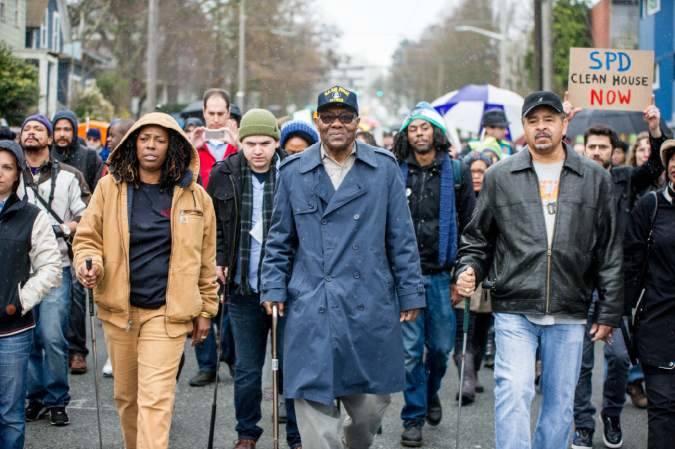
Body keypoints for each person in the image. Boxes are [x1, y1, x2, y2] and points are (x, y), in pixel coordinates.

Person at [261, 85, 425, 449]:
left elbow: (402, 237)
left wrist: (411, 291)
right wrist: (272, 287)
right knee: (316, 417)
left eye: (345, 117)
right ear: (317, 122)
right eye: (329, 117)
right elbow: (279, 240)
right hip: (311, 305)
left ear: (357, 121)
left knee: (370, 407)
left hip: (367, 303)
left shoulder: (383, 168)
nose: (337, 124)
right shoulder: (292, 171)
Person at [455, 91, 622, 449]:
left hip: (570, 306)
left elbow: (609, 249)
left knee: (561, 403)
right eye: (533, 121)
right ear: (524, 128)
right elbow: (477, 238)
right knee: (513, 390)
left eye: (549, 120)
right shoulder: (501, 176)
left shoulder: (594, 178)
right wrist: (469, 268)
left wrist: (609, 310)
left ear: (564, 124)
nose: (541, 127)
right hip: (515, 304)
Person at [72, 112, 218, 449]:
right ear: (132, 144)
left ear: (173, 147)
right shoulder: (110, 188)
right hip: (120, 310)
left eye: (160, 140)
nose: (151, 146)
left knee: (156, 400)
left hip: (167, 314)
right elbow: (87, 238)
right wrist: (87, 264)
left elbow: (206, 260)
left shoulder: (196, 197)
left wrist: (206, 309)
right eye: (144, 138)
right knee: (127, 399)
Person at [207, 109, 301, 449]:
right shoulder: (223, 173)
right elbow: (213, 225)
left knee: (291, 367)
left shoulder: (293, 173)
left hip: (287, 289)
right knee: (247, 368)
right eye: (250, 143)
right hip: (243, 287)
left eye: (265, 143)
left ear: (277, 143)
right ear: (240, 142)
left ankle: (295, 434)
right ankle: (247, 432)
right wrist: (219, 258)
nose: (258, 150)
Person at [572, 112, 666, 449]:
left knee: (620, 358)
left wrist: (654, 128)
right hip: (579, 285)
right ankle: (582, 423)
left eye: (602, 147)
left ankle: (611, 413)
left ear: (614, 152)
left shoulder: (626, 179)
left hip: (616, 287)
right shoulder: (572, 179)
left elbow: (657, 165)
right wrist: (565, 120)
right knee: (580, 362)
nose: (596, 152)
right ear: (582, 150)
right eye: (591, 146)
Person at [391, 101, 475, 447]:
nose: (420, 134)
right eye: (413, 129)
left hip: (443, 276)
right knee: (411, 353)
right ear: (406, 136)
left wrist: (463, 272)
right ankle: (413, 416)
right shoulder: (395, 172)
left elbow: (470, 225)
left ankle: (430, 392)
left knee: (440, 349)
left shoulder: (456, 172)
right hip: (406, 277)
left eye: (425, 128)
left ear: (436, 133)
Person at [17, 115, 89, 427]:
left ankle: (58, 398)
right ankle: (36, 397)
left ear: (49, 140)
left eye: (38, 129)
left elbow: (86, 218)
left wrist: (62, 228)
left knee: (53, 337)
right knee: (28, 340)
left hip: (56, 267)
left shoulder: (70, 176)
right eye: (27, 129)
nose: (31, 132)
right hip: (18, 273)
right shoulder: (9, 175)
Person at [0, 140, 62, 449]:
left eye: (7, 167)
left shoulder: (32, 216)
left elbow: (51, 267)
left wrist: (20, 301)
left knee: (10, 414)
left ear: (17, 175)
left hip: (12, 329)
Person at [624, 138, 675, 449]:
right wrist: (618, 313)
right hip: (657, 319)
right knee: (663, 406)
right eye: (672, 162)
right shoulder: (651, 206)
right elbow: (630, 261)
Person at [51, 110, 105, 375]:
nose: (62, 134)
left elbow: (98, 193)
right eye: (58, 129)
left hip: (81, 234)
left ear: (74, 132)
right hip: (49, 238)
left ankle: (77, 350)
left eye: (66, 129)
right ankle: (55, 350)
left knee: (76, 296)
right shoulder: (45, 157)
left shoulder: (89, 157)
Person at [191, 88, 239, 188]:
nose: (216, 119)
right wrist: (190, 149)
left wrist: (239, 146)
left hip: (232, 202)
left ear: (228, 112)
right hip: (200, 202)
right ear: (204, 112)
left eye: (220, 114)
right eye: (211, 113)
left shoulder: (239, 144)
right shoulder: (194, 144)